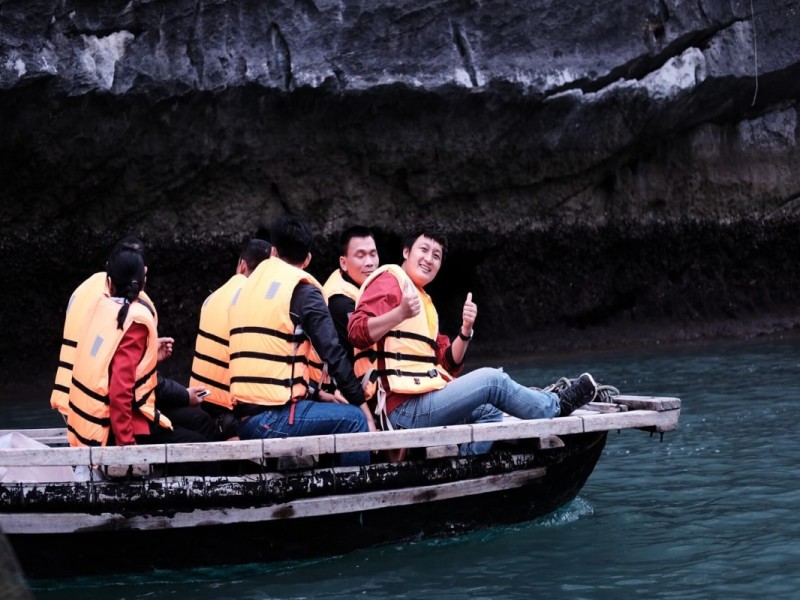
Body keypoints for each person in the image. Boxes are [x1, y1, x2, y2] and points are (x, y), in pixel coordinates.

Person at [348, 221, 599, 452]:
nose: (429, 259)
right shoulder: (390, 280)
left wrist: (465, 330)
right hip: (400, 412)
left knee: (489, 412)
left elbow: (448, 364)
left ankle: (462, 467)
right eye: (423, 250)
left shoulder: (424, 303)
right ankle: (555, 406)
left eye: (436, 256)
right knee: (493, 381)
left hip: (422, 403)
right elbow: (356, 331)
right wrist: (399, 313)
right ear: (406, 252)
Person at [229, 215, 376, 467]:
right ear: (307, 259)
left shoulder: (245, 288)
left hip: (242, 416)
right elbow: (334, 354)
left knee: (335, 412)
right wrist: (364, 409)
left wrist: (317, 394)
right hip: (270, 420)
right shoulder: (304, 292)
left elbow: (271, 364)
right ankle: (355, 504)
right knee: (354, 420)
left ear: (273, 251)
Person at [52, 236, 213, 441]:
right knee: (197, 431)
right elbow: (121, 387)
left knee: (195, 424)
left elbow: (110, 363)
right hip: (108, 418)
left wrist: (148, 355)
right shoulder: (133, 317)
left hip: (76, 411)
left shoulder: (96, 305)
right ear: (142, 276)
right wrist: (128, 446)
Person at [189, 238, 272, 438]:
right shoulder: (255, 301)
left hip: (200, 399)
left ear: (242, 265)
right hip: (230, 409)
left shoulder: (212, 297)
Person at [321, 226, 379, 361]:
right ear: (343, 263)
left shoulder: (366, 287)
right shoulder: (340, 302)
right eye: (361, 256)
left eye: (373, 254)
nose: (369, 263)